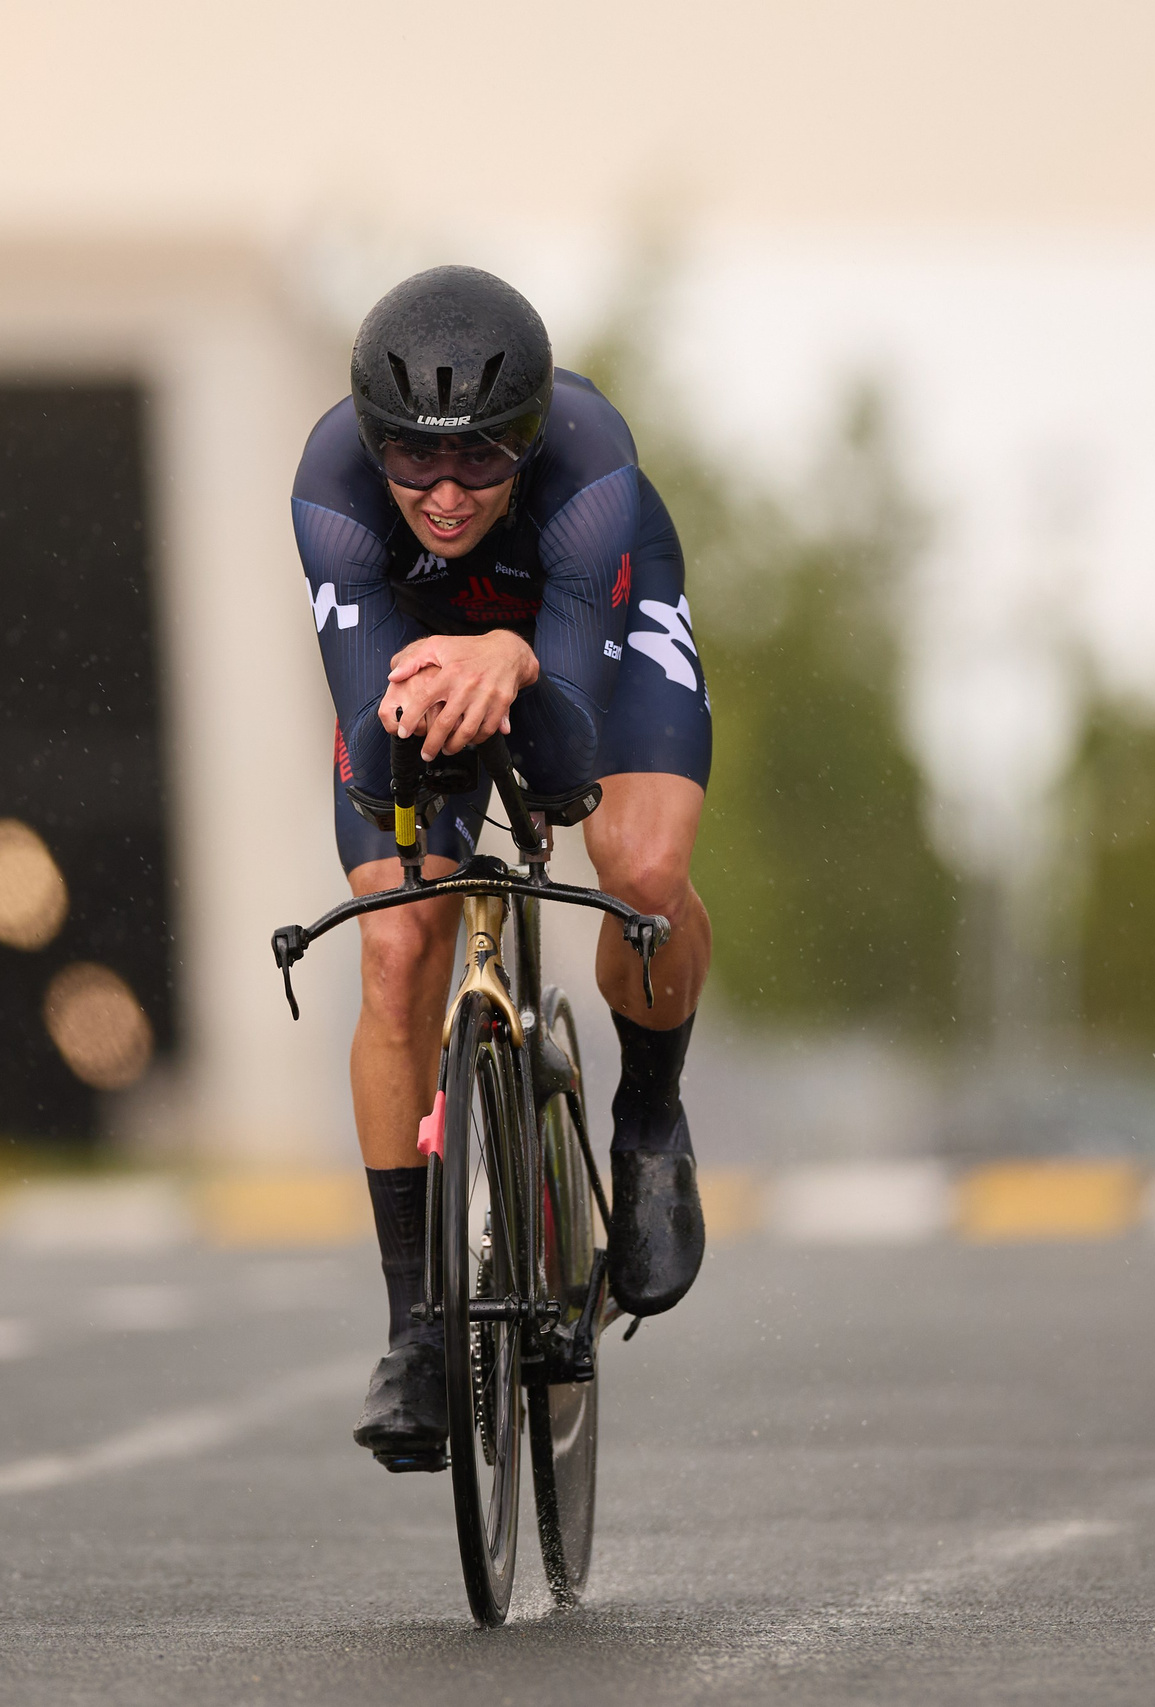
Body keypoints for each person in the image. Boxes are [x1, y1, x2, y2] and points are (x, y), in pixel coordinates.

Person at [290, 265, 715, 1470]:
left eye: (479, 460)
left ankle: (647, 1122)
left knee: (638, 869)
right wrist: (427, 693)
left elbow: (569, 755)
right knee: (396, 944)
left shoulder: (588, 462)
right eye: (411, 460)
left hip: (583, 639)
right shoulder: (331, 485)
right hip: (421, 654)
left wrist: (512, 659)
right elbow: (372, 768)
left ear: (527, 439)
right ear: (370, 442)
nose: (442, 493)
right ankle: (416, 1330)